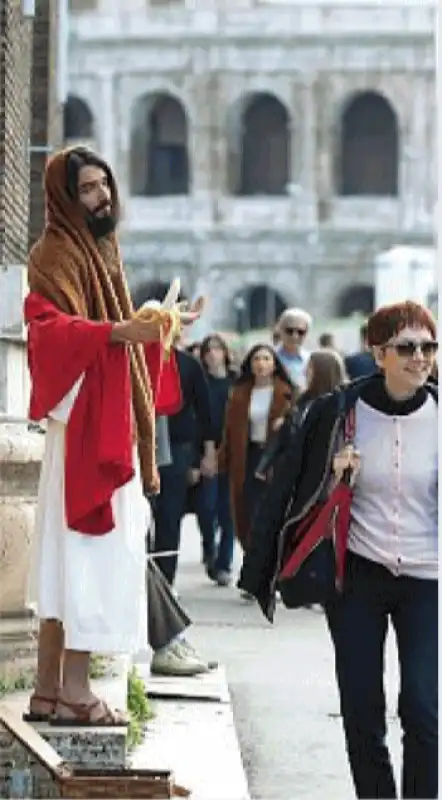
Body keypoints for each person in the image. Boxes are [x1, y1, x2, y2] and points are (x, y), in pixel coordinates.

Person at [23, 146, 200, 726]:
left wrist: (160, 325)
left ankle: (48, 691)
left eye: (105, 185)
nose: (102, 197)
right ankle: (76, 691)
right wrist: (119, 331)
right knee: (87, 556)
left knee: (70, 559)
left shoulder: (100, 247)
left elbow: (112, 332)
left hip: (102, 422)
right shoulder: (53, 253)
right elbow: (49, 333)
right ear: (65, 198)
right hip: (84, 434)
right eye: (89, 189)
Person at [240, 301, 438, 799]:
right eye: (407, 347)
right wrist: (333, 477)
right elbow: (287, 486)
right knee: (361, 709)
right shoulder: (338, 413)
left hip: (426, 580)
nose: (421, 358)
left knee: (423, 707)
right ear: (378, 353)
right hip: (357, 578)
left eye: (429, 347)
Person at [217, 344, 296, 559]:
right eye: (256, 359)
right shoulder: (240, 394)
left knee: (274, 513)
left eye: (266, 359)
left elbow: (298, 426)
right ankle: (253, 563)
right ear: (250, 365)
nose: (261, 364)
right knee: (248, 513)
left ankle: (272, 565)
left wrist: (286, 423)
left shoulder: (287, 392)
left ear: (274, 364)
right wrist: (221, 460)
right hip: (248, 457)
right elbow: (229, 430)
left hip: (276, 459)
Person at [153, 339, 216, 587]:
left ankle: (164, 581)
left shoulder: (188, 365)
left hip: (178, 449)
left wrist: (206, 454)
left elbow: (205, 411)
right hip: (140, 446)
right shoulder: (132, 355)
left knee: (170, 516)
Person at [255, 348, 348, 481]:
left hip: (323, 478)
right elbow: (285, 435)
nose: (305, 373)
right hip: (295, 473)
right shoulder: (303, 401)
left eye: (310, 368)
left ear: (322, 373)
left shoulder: (340, 404)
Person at [190, 334, 237, 586]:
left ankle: (223, 564)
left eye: (217, 349)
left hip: (232, 452)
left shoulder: (235, 381)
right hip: (206, 450)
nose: (212, 354)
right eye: (208, 349)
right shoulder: (201, 382)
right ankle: (209, 546)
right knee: (206, 508)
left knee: (228, 511)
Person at [275, 307, 312, 390]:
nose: (295, 336)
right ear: (280, 330)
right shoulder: (269, 359)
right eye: (289, 331)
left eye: (300, 332)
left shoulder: (311, 360)